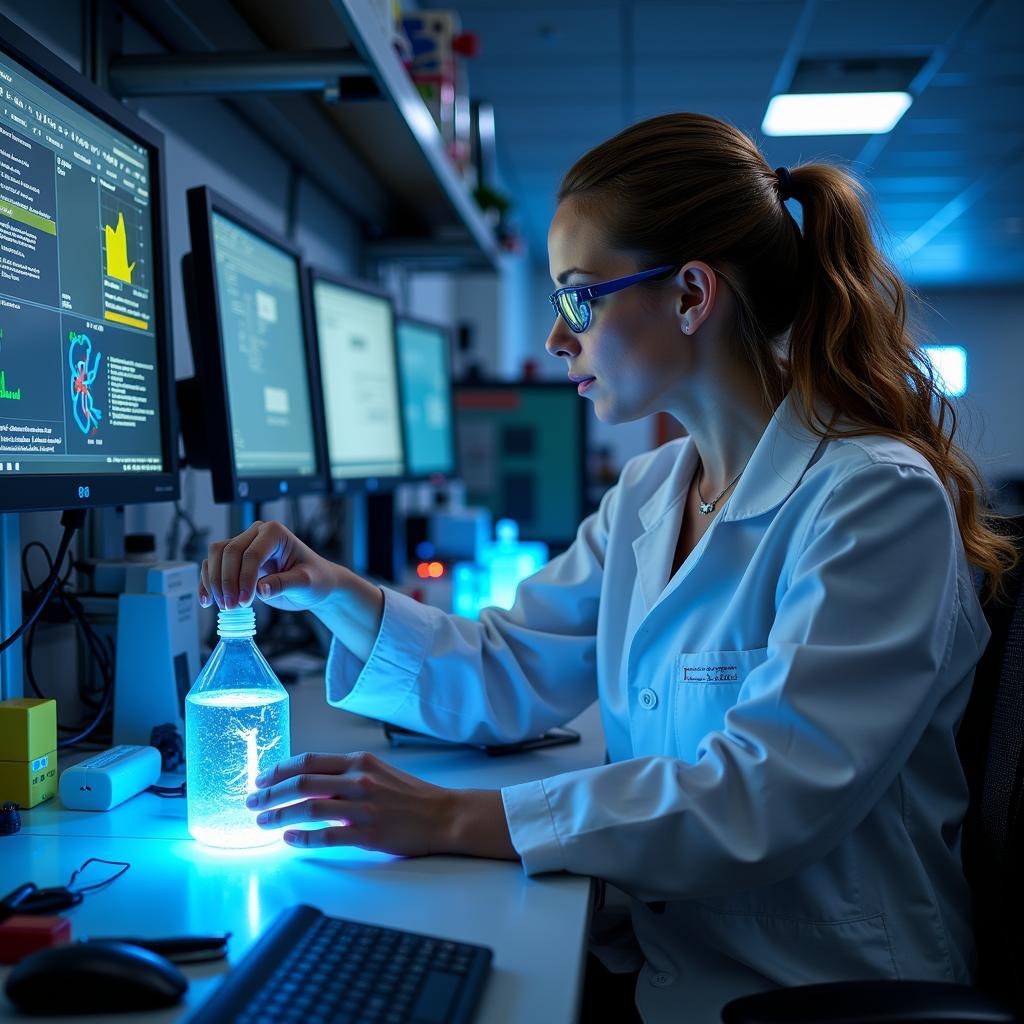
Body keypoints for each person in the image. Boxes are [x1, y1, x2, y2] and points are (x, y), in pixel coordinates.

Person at [199, 113, 1017, 1023]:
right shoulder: (653, 491)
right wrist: (328, 587)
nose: (557, 338)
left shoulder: (873, 500)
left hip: (821, 992)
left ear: (691, 294)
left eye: (578, 298)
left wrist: (455, 819)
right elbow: (509, 669)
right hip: (675, 962)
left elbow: (766, 792)